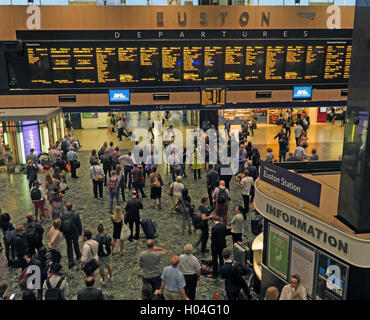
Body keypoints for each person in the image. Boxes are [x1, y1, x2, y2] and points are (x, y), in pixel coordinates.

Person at [60, 202, 82, 269]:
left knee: (69, 246)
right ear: (72, 207)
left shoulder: (61, 214)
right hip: (74, 232)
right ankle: (78, 255)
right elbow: (79, 224)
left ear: (66, 207)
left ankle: (70, 260)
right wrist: (80, 232)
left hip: (67, 232)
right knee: (76, 244)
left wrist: (62, 232)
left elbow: (61, 224)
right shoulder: (76, 214)